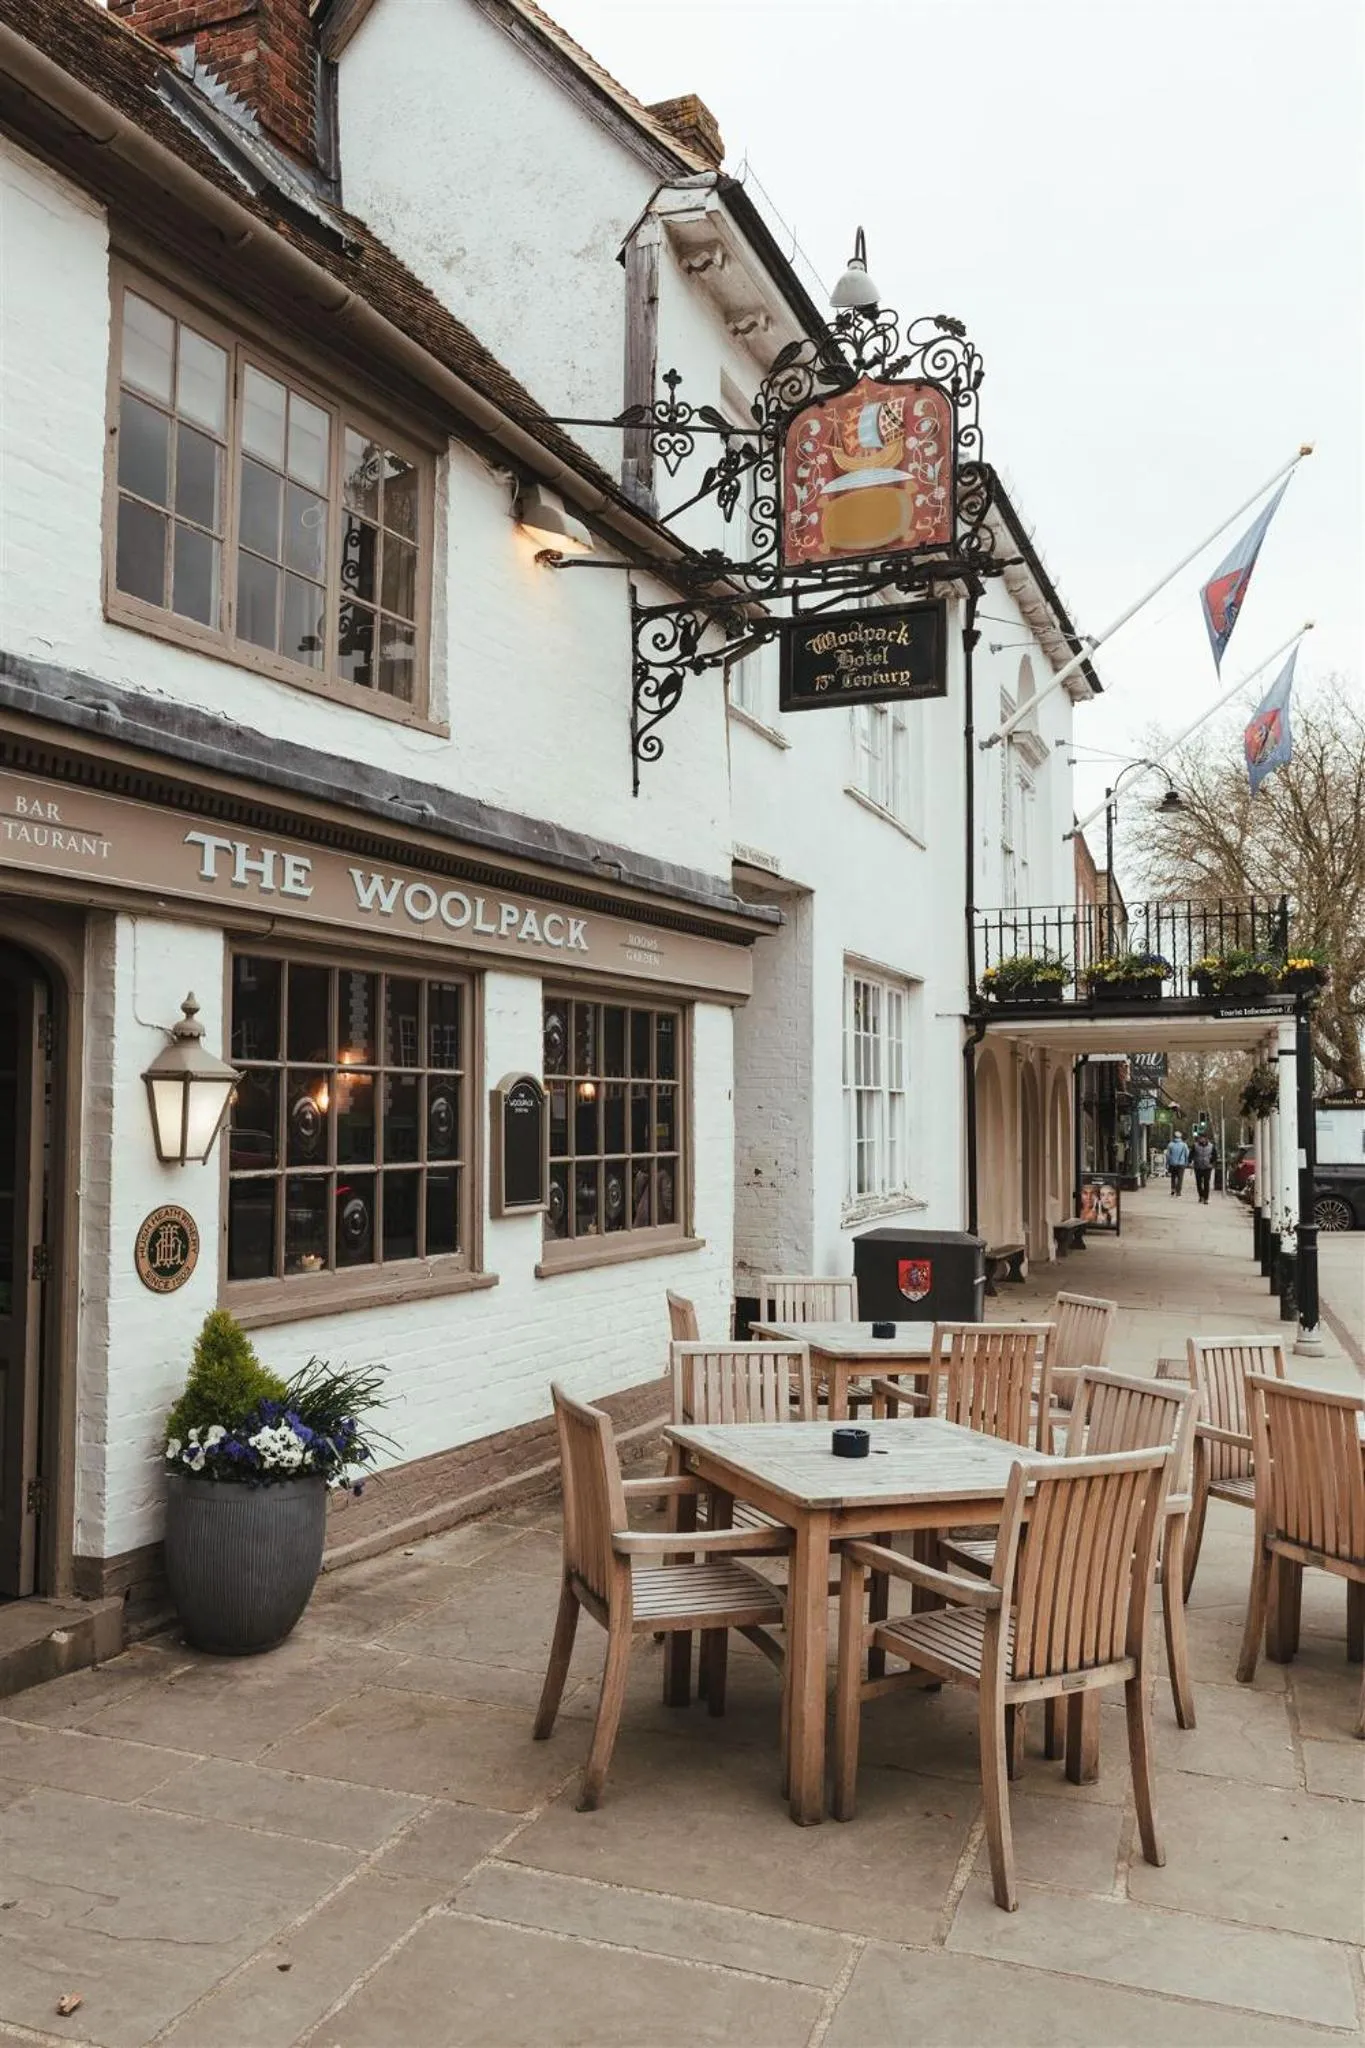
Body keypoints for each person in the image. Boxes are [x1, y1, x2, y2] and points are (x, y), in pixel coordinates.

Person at [1192, 1131, 1217, 1205]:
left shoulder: (1211, 1146)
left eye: (1202, 1138)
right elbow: (1191, 1154)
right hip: (1198, 1167)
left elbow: (1215, 1155)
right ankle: (1201, 1196)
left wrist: (1211, 1162)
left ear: (1206, 1138)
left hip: (1207, 1167)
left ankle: (1206, 1198)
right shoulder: (1195, 1145)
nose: (1201, 1139)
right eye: (1200, 1138)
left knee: (1206, 1183)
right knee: (1199, 1183)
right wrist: (1191, 1160)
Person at [1166, 1130, 1190, 1197]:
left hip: (1172, 1164)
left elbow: (1167, 1155)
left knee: (1173, 1177)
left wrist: (1168, 1163)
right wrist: (1186, 1163)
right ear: (1181, 1137)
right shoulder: (1184, 1145)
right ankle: (1178, 1192)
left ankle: (1173, 1189)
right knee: (1180, 1178)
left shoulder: (1170, 1144)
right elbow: (1187, 1155)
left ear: (1174, 1136)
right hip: (1181, 1164)